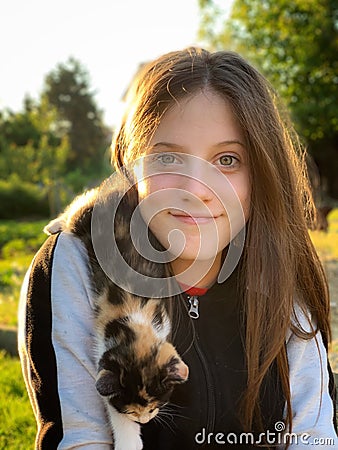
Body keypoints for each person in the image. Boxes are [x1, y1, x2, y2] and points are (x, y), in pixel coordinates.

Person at [18, 47, 337, 449]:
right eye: (168, 157)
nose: (197, 191)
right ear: (132, 166)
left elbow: (314, 436)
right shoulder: (81, 260)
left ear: (261, 171)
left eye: (227, 159)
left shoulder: (280, 273)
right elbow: (83, 439)